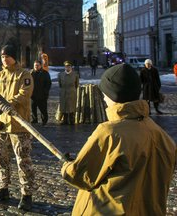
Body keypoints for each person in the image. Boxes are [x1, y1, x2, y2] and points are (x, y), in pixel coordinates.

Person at [61, 63, 176, 215]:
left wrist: (67, 166)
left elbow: (81, 176)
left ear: (112, 95)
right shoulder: (161, 134)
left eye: (104, 93)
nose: (103, 97)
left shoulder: (109, 133)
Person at [0, 45, 35, 212]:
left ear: (15, 57)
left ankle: (26, 194)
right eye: (2, 56)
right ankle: (3, 189)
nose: (4, 59)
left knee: (23, 161)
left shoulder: (24, 75)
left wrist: (7, 105)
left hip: (19, 126)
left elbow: (24, 94)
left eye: (7, 56)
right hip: (1, 127)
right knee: (2, 159)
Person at [57, 61, 79, 125]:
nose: (67, 68)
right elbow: (60, 84)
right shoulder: (60, 75)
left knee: (71, 106)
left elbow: (76, 84)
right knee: (64, 106)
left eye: (69, 66)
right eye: (66, 66)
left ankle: (72, 120)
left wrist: (72, 89)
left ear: (71, 67)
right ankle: (65, 120)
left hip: (72, 92)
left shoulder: (75, 75)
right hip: (63, 92)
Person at [30, 60, 52, 125]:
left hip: (42, 95)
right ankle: (34, 119)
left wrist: (45, 92)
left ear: (40, 65)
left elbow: (48, 83)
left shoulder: (45, 73)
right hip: (33, 95)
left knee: (43, 109)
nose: (36, 66)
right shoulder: (31, 73)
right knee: (33, 108)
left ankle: (44, 120)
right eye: (35, 65)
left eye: (37, 65)